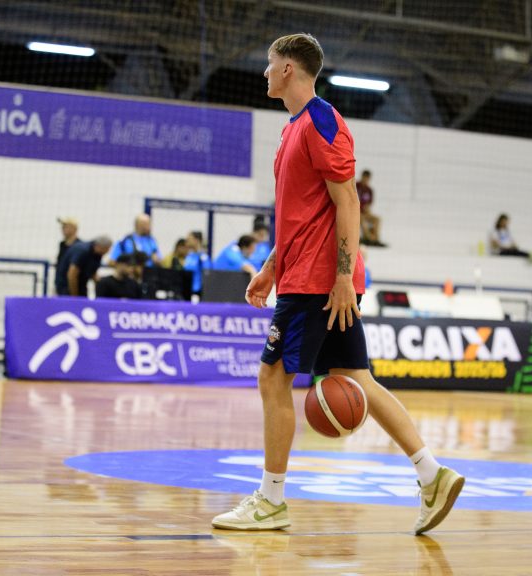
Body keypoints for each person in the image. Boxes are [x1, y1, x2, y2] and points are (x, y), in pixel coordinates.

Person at [211, 33, 464, 535]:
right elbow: (301, 216)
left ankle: (271, 501)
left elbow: (348, 201)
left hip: (319, 281)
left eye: (270, 64)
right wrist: (271, 266)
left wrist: (343, 277)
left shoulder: (322, 120)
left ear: (288, 68)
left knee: (272, 379)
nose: (265, 72)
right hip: (306, 273)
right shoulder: (292, 129)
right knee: (358, 379)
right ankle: (432, 475)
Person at [356, 169, 386, 247]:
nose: (366, 180)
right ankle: (369, 239)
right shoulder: (356, 186)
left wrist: (367, 209)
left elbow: (369, 203)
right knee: (361, 219)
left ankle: (375, 238)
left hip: (365, 212)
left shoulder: (369, 190)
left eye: (367, 178)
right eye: (364, 178)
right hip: (356, 213)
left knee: (377, 219)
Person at [54, 217, 81, 296]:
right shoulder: (62, 244)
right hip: (60, 285)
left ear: (74, 229)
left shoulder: (79, 246)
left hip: (73, 286)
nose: (63, 229)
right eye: (63, 227)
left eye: (66, 226)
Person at [183, 231, 212, 295]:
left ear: (196, 240)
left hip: (197, 292)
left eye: (189, 239)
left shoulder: (203, 258)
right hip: (186, 290)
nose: (187, 241)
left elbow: (207, 275)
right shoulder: (189, 256)